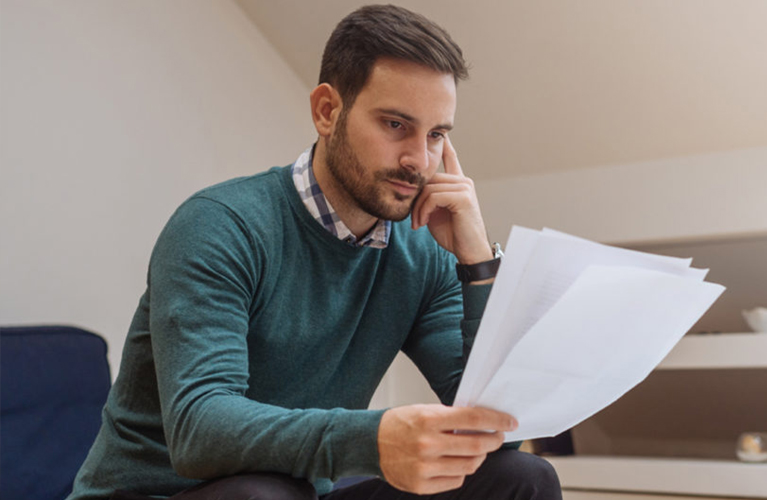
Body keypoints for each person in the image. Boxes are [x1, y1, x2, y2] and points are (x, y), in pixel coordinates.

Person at [68, 5, 562, 500]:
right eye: (395, 125)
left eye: (436, 135)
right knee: (262, 494)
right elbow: (200, 430)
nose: (418, 160)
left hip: (295, 494)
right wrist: (375, 437)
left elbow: (502, 435)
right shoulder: (220, 225)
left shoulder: (422, 254)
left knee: (524, 479)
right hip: (163, 493)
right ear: (327, 111)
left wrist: (477, 264)